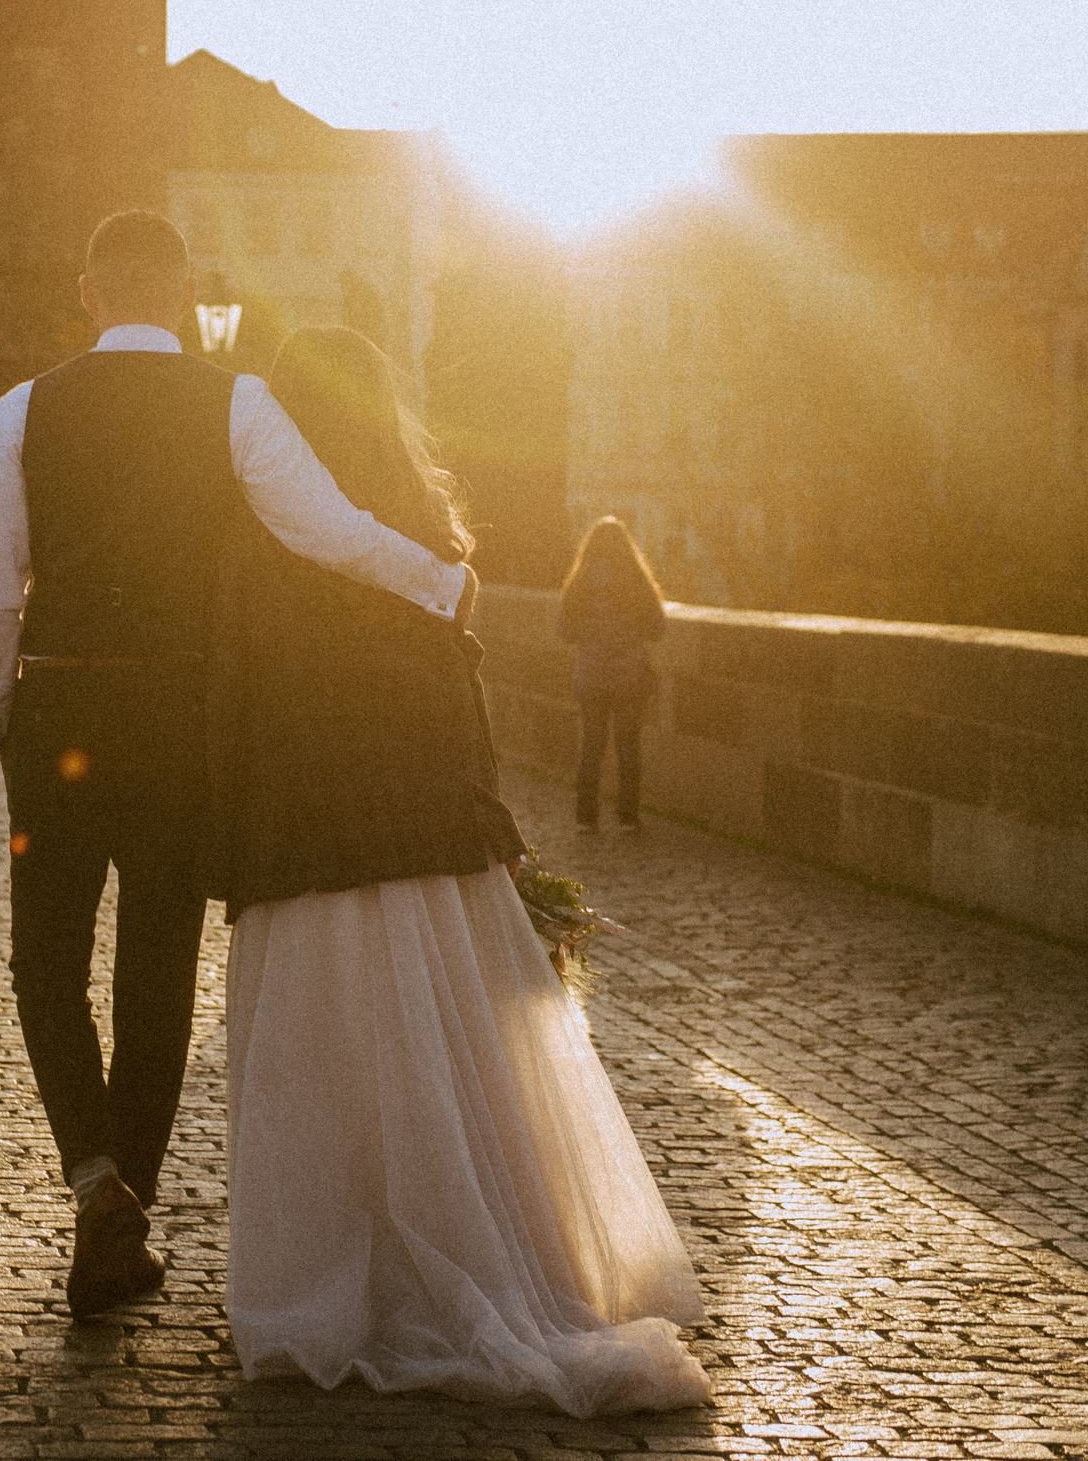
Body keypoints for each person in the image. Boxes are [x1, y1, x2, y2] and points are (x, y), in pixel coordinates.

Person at [0, 211, 467, 1319]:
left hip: (61, 707)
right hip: (179, 717)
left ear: (88, 293)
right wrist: (440, 583)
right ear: (185, 291)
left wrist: (7, 707)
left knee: (42, 957)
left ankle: (93, 1175)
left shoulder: (25, 405)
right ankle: (124, 1197)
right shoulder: (234, 400)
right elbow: (324, 529)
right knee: (156, 964)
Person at [215, 328, 711, 1415]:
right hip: (425, 823)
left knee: (312, 1061)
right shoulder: (414, 537)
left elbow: (235, 680)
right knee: (448, 1053)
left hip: (306, 824)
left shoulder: (263, 533)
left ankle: (331, 1275)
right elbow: (458, 696)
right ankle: (468, 1249)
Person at [558, 516, 668, 834]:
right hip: (629, 675)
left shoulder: (579, 583)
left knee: (591, 745)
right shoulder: (636, 581)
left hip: (591, 674)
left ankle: (585, 816)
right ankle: (628, 817)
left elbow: (565, 631)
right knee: (628, 746)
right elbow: (658, 628)